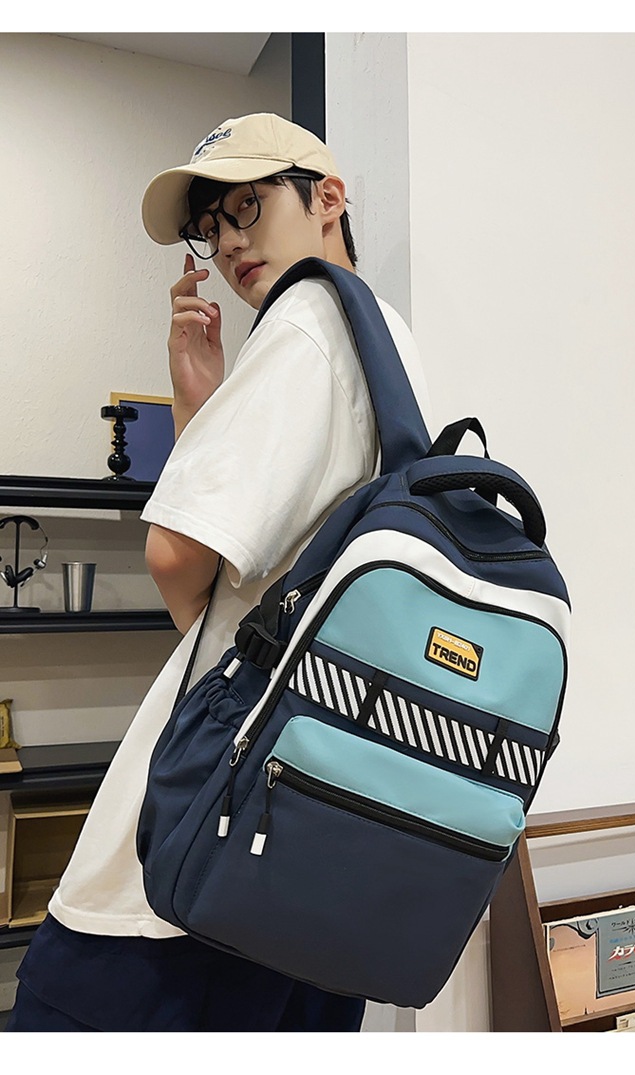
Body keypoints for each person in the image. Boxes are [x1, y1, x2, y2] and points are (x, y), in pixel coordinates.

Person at [5, 112, 432, 1032]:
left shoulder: (306, 320)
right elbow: (266, 571)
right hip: (316, 850)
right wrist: (201, 394)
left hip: (201, 846)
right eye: (212, 225)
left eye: (249, 206)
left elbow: (177, 558)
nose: (230, 241)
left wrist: (206, 405)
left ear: (328, 198)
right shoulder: (391, 343)